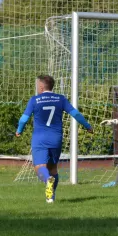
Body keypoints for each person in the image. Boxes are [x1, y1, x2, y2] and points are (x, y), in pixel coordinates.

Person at [16, 75, 93, 203]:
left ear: (41, 87)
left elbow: (24, 119)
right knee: (52, 168)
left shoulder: (35, 100)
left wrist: (19, 130)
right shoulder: (60, 99)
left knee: (39, 167)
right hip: (56, 138)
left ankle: (47, 180)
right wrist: (87, 126)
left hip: (40, 138)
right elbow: (75, 114)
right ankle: (50, 197)